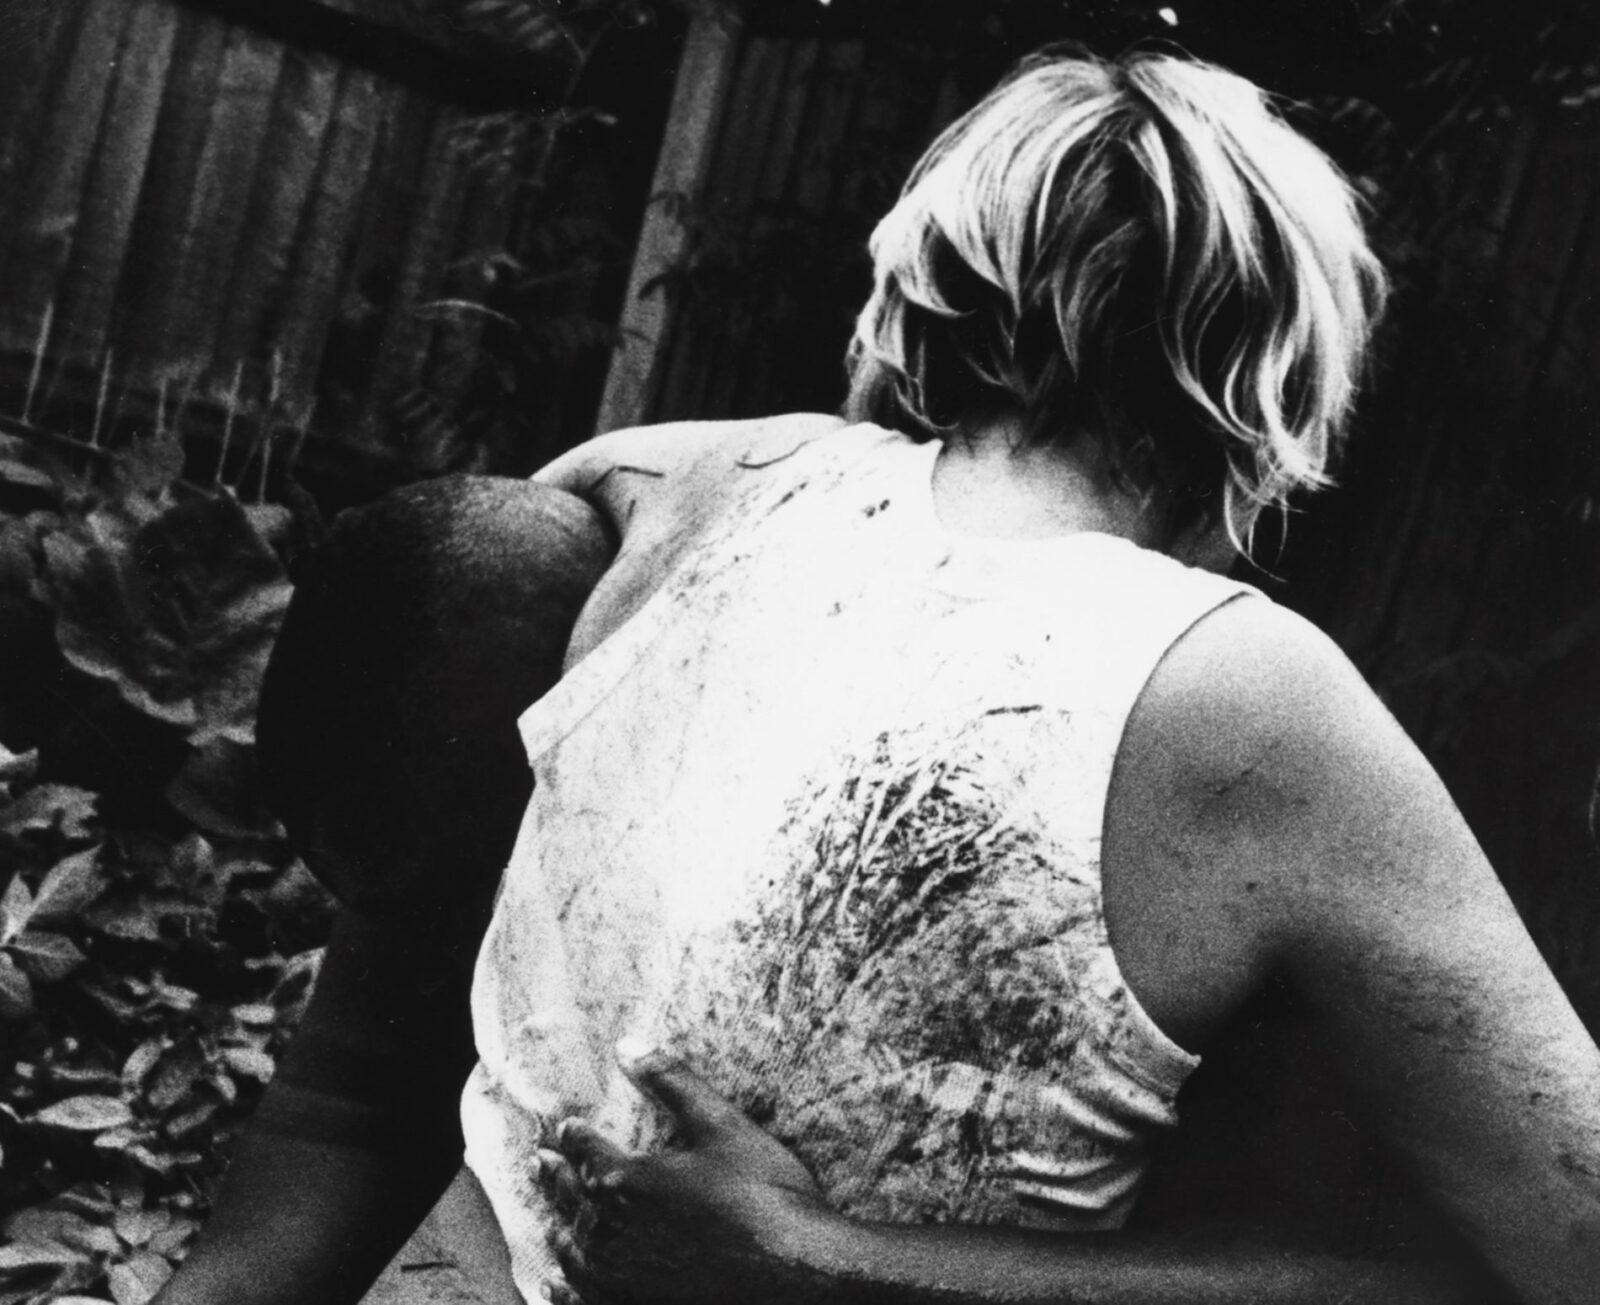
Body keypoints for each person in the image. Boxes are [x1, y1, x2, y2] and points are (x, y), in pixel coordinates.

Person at [156, 47, 1600, 1305]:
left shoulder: (666, 488)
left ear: (932, 284)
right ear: (1278, 372)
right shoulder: (1252, 698)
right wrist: (818, 1263)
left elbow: (403, 994)